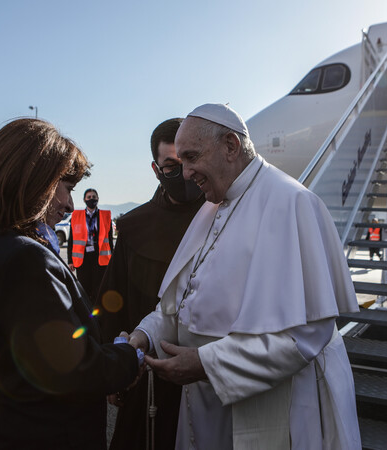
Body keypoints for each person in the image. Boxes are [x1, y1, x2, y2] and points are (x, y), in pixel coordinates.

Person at [126, 104, 362, 449]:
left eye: (192, 157)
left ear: (231, 146)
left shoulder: (292, 202)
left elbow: (307, 333)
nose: (187, 173)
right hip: (205, 403)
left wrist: (207, 364)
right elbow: (179, 305)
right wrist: (144, 336)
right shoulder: (211, 208)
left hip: (272, 405)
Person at [0, 119, 139, 450]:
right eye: (67, 189)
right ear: (34, 181)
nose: (70, 206)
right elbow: (74, 370)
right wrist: (130, 355)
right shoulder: (25, 258)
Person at [97, 118, 204, 450]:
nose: (184, 173)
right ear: (156, 170)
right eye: (171, 165)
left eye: (189, 160)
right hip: (147, 374)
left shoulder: (220, 216)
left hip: (207, 373)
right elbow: (111, 301)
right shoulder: (134, 226)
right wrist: (115, 367)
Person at [67, 188, 114, 301]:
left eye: (94, 197)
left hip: (100, 258)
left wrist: (112, 259)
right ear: (84, 200)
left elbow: (110, 240)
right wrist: (70, 261)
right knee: (84, 287)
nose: (91, 199)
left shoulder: (105, 216)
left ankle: (97, 314)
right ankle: (87, 313)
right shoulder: (76, 216)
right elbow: (71, 240)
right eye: (89, 197)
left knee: (99, 288)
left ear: (97, 199)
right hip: (83, 258)